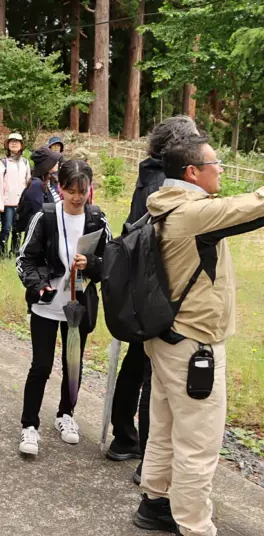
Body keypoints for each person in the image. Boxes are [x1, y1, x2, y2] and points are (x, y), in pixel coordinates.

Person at [132, 129, 264, 536]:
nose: (221, 169)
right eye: (214, 164)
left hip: (168, 338)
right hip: (193, 345)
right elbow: (253, 206)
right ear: (192, 172)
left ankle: (155, 501)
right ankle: (194, 525)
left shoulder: (163, 204)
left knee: (166, 427)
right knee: (199, 445)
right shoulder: (193, 214)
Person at [107, 117, 186, 482]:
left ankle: (125, 438)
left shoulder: (147, 173)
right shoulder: (162, 182)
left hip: (138, 280)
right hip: (154, 285)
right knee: (152, 374)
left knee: (137, 363)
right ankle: (146, 458)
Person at [15, 160, 111, 457]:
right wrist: (39, 285)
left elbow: (111, 262)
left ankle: (65, 415)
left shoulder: (96, 219)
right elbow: (25, 260)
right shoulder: (45, 217)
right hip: (47, 303)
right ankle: (29, 425)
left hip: (77, 305)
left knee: (73, 364)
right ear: (60, 187)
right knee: (41, 365)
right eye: (71, 190)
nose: (77, 197)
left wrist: (91, 264)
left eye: (83, 191)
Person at [0, 133, 31, 259]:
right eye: (11, 141)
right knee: (6, 229)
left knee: (18, 230)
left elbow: (28, 183)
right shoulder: (2, 163)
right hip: (7, 203)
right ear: (7, 144)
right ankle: (3, 255)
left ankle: (15, 253)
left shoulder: (25, 163)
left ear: (22, 145)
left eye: (17, 141)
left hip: (20, 203)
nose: (14, 144)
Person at [20, 146, 63, 221]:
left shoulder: (51, 181)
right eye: (53, 161)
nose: (57, 162)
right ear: (46, 165)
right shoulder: (36, 185)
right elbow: (39, 213)